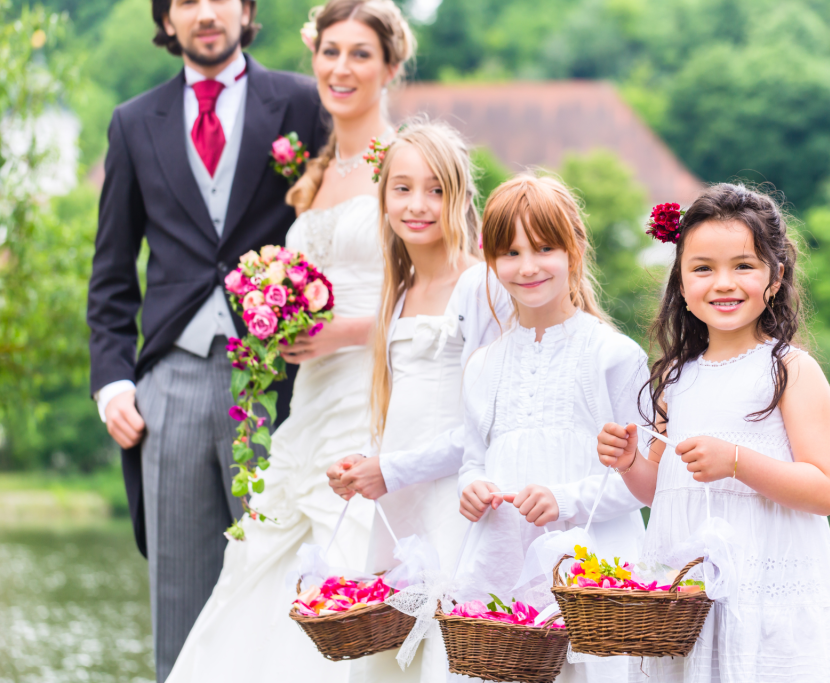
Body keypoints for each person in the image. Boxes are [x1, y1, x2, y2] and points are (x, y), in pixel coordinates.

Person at [163, 1, 416, 681]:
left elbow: (451, 295)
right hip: (306, 403)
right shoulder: (314, 172)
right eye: (330, 52)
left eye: (361, 54)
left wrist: (348, 330)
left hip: (376, 400)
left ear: (391, 66)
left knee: (354, 573)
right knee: (259, 564)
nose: (341, 68)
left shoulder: (409, 165)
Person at [86, 0, 327, 678]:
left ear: (246, 11)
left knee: (285, 592)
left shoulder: (305, 105)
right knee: (181, 600)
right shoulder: (133, 123)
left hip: (281, 384)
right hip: (172, 384)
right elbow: (110, 276)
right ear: (167, 22)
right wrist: (113, 384)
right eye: (186, 1)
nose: (206, 12)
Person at [597, 184, 830, 681]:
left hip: (763, 595)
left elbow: (826, 490)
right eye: (703, 268)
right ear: (680, 281)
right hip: (687, 605)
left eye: (743, 266)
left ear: (775, 277)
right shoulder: (674, 379)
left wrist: (737, 462)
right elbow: (662, 490)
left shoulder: (789, 370)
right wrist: (631, 461)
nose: (723, 283)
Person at [324, 120, 514, 682]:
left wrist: (393, 468)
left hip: (454, 501)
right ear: (382, 196)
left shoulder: (481, 287)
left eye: (436, 189)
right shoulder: (399, 294)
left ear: (460, 198)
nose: (418, 204)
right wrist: (364, 463)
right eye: (402, 188)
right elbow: (400, 410)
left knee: (448, 649)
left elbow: (488, 426)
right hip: (399, 499)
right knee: (390, 653)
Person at [456, 175, 647, 682]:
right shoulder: (481, 365)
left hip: (594, 577)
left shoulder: (613, 355)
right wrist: (470, 488)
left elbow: (643, 483)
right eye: (510, 252)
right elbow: (473, 458)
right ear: (491, 261)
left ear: (575, 248)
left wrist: (565, 500)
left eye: (545, 248)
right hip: (505, 574)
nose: (527, 266)